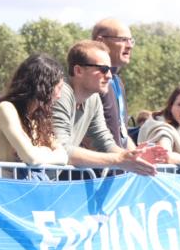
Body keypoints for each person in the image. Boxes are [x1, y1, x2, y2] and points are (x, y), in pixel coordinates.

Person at [53, 40, 167, 175]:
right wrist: (119, 159)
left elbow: (104, 142)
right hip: (26, 183)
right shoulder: (61, 94)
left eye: (110, 70)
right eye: (103, 69)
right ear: (78, 70)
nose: (109, 76)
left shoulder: (93, 99)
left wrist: (134, 156)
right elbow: (60, 149)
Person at [0, 53, 69, 178]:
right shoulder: (6, 109)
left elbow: (63, 157)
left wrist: (37, 153)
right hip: (4, 191)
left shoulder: (38, 118)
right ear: (43, 86)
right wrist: (45, 151)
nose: (59, 95)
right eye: (58, 88)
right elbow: (31, 158)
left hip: (26, 189)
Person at [92, 18, 136, 149]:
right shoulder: (91, 81)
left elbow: (121, 134)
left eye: (131, 40)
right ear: (100, 41)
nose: (130, 45)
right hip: (99, 167)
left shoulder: (117, 81)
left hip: (118, 166)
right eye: (123, 39)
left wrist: (139, 155)